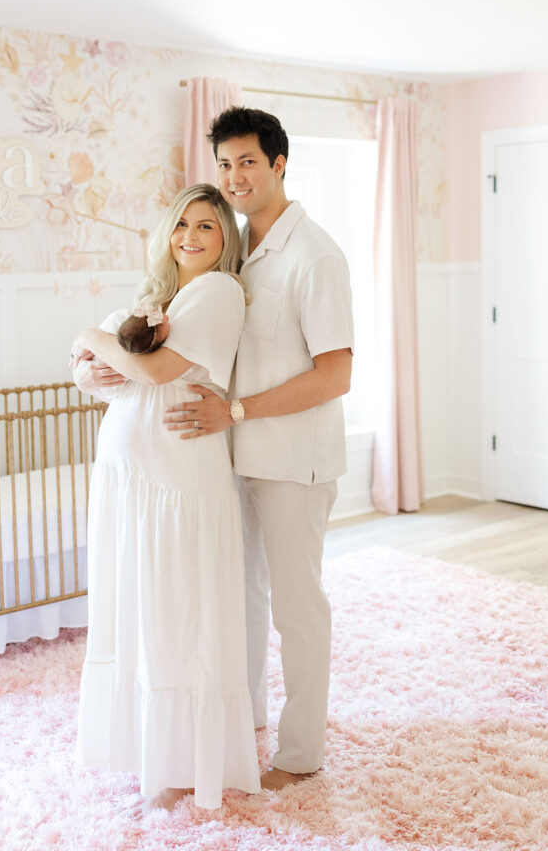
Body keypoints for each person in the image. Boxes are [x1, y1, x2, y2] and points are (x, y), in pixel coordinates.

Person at [162, 108, 354, 793]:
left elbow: (336, 375)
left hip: (293, 460)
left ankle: (300, 754)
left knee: (296, 607)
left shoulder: (315, 256)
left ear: (278, 164)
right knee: (240, 597)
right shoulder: (237, 249)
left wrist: (235, 410)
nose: (234, 176)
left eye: (247, 161)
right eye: (224, 164)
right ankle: (244, 725)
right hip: (234, 455)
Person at [71, 182, 261, 814]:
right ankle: (146, 748)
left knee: (178, 616)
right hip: (130, 478)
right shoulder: (157, 296)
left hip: (178, 480)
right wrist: (92, 365)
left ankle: (184, 766)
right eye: (182, 224)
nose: (191, 237)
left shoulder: (218, 292)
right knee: (138, 611)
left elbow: (150, 370)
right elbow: (104, 375)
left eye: (207, 226)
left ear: (225, 239)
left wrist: (89, 340)